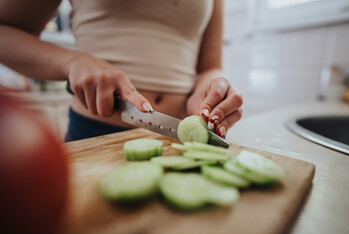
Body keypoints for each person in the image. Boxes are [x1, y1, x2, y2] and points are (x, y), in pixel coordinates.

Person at [0, 0, 243, 142]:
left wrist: (210, 93)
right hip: (95, 135)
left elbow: (209, 67)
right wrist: (72, 62)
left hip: (180, 140)